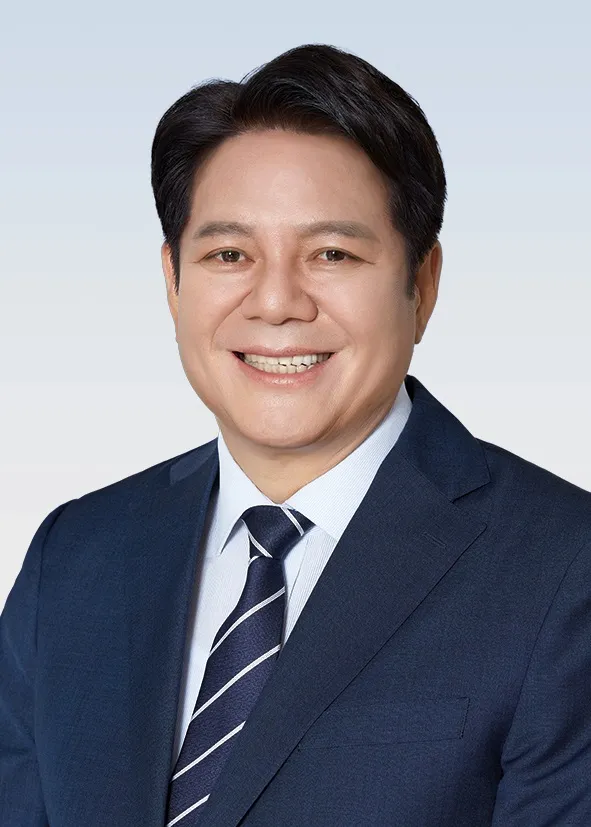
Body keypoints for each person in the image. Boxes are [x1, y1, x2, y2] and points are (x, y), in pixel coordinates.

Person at [1, 42, 590, 827]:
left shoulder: (563, 568)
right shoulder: (74, 556)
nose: (275, 302)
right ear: (173, 283)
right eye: (229, 253)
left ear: (421, 284)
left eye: (331, 253)